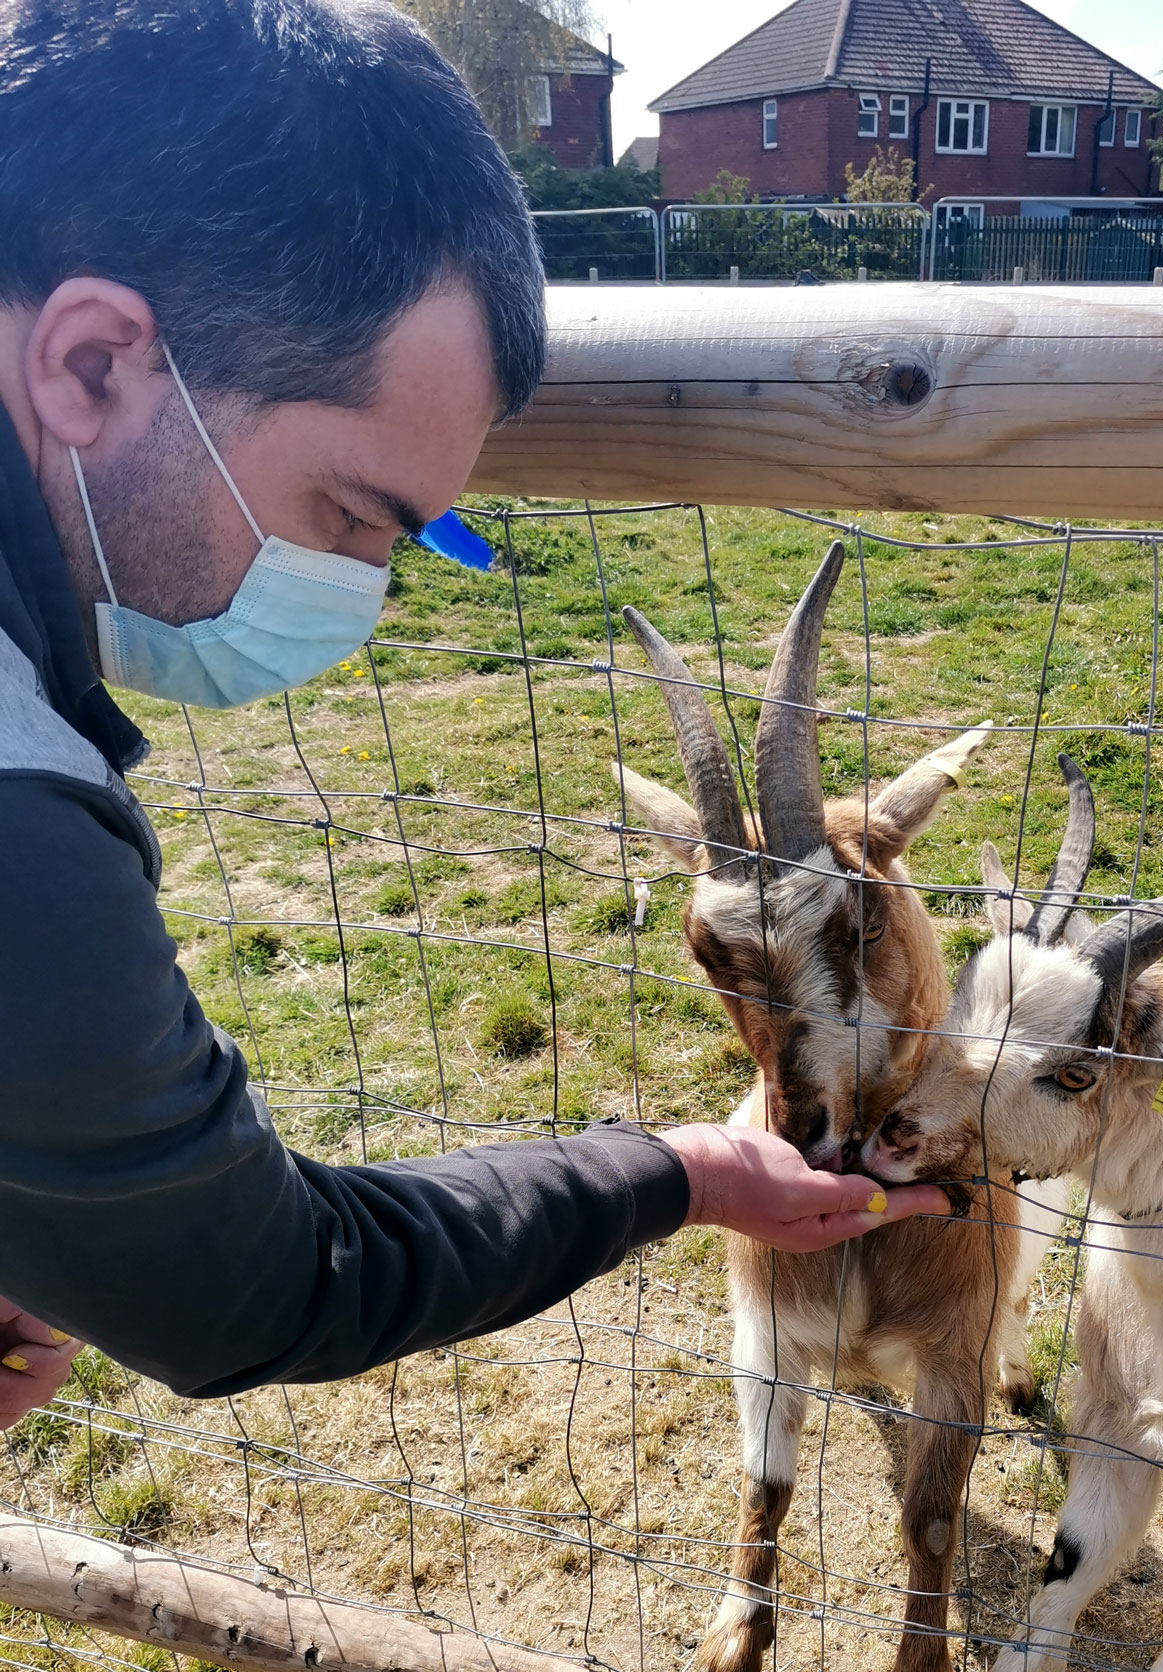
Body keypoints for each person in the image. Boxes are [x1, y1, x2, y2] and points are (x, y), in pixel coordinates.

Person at [0, 0, 946, 1429]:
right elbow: (266, 1282)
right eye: (354, 515)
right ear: (91, 365)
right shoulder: (19, 819)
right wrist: (679, 1172)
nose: (359, 593)